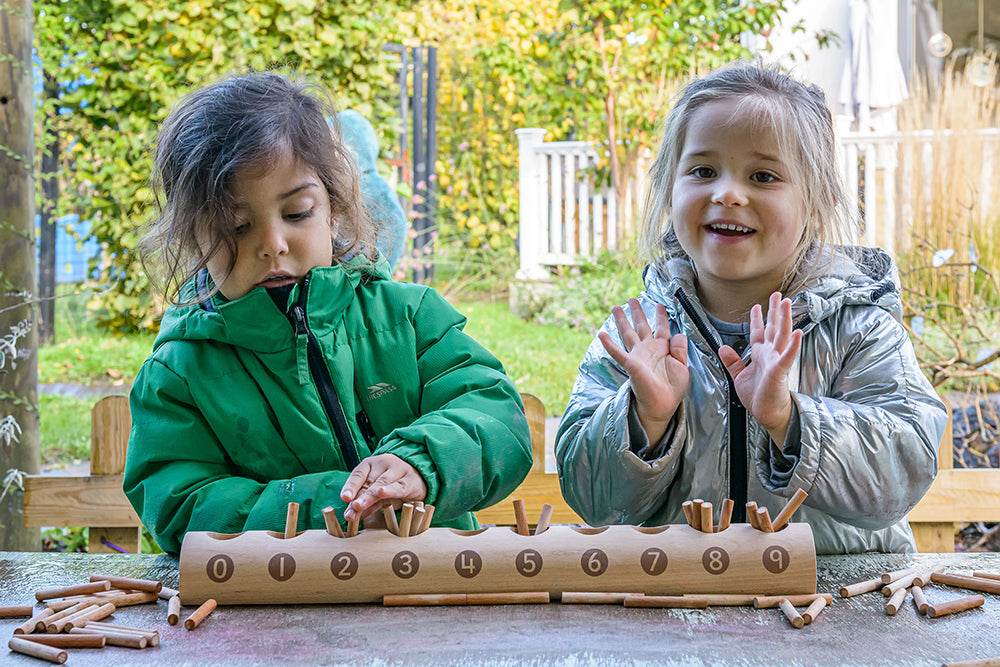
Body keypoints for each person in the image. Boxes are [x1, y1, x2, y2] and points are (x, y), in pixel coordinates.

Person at [123, 71, 532, 555]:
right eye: (236, 225)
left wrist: (420, 462)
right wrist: (334, 504)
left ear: (334, 208)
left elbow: (496, 417)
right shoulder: (178, 375)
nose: (273, 244)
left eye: (296, 213)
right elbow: (181, 505)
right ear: (192, 236)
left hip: (434, 598)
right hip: (276, 616)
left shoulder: (411, 318)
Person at [554, 62, 948, 554]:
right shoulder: (642, 337)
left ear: (817, 201)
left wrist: (790, 418)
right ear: (668, 190)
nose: (727, 193)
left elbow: (902, 472)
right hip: (675, 603)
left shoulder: (859, 330)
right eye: (702, 170)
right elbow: (590, 498)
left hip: (841, 603)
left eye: (762, 176)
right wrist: (644, 419)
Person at [336, 109, 408, 271]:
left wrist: (375, 269)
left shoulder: (376, 188)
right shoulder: (339, 183)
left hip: (363, 270)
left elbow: (396, 225)